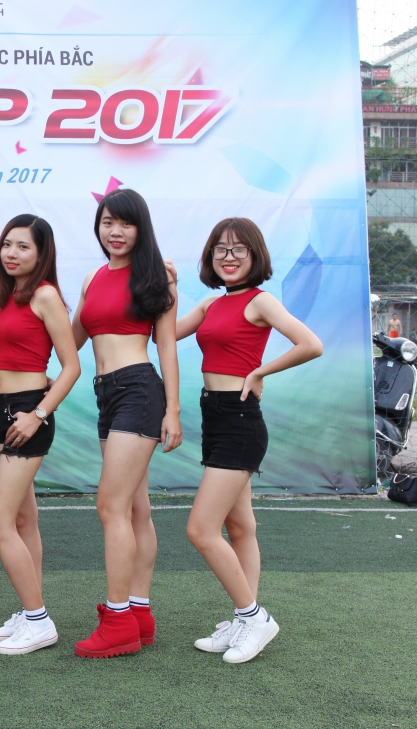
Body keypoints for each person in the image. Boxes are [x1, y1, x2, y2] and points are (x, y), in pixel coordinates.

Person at [176, 217, 322, 664]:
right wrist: (167, 287)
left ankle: (254, 617)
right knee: (240, 527)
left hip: (240, 420)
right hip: (215, 416)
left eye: (239, 249)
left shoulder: (261, 301)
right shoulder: (210, 305)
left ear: (254, 255)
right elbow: (166, 333)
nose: (229, 256)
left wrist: (260, 372)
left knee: (201, 529)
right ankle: (245, 621)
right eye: (220, 249)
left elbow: (310, 344)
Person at [70, 189, 181, 658]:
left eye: (126, 223)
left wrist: (172, 409)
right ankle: (139, 614)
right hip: (106, 394)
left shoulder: (157, 276)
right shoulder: (93, 278)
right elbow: (70, 339)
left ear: (141, 228)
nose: (115, 232)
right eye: (107, 222)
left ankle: (117, 620)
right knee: (135, 509)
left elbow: (167, 345)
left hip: (139, 390)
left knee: (110, 507)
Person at [0, 215, 81, 655]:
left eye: (23, 246)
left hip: (27, 414)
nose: (11, 253)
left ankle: (38, 620)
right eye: (7, 244)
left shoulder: (45, 295)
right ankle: (29, 612)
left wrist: (38, 414)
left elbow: (71, 366)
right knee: (24, 519)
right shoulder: (8, 299)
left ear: (41, 254)